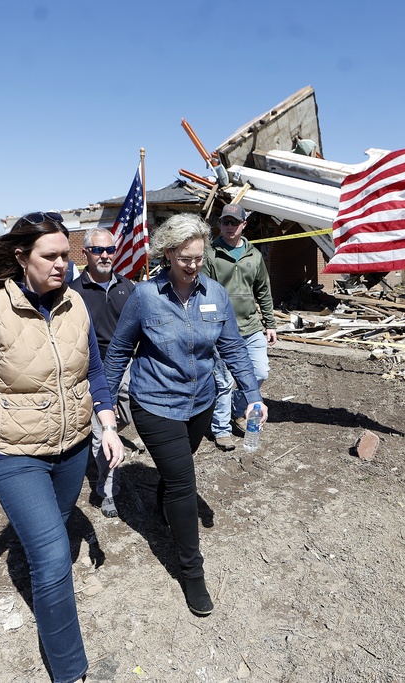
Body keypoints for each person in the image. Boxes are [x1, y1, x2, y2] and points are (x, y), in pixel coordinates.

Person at [0, 211, 123, 683]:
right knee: (55, 556)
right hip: (13, 453)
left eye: (65, 256)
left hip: (73, 447)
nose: (63, 265)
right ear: (21, 258)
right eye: (50, 256)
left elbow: (93, 371)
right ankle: (70, 670)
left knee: (53, 529)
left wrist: (108, 423)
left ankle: (38, 549)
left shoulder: (75, 304)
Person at [104, 213, 267, 617]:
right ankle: (192, 574)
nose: (193, 266)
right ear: (168, 253)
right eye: (185, 259)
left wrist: (253, 394)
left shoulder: (215, 293)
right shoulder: (145, 296)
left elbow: (232, 348)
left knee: (177, 471)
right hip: (155, 403)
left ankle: (163, 499)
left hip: (200, 402)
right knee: (183, 481)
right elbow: (119, 351)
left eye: (199, 257)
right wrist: (105, 407)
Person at [203, 203, 278, 451]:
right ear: (220, 224)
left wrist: (270, 324)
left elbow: (263, 291)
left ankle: (239, 407)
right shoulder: (210, 254)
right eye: (225, 222)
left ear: (243, 225)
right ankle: (221, 429)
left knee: (260, 373)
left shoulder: (254, 256)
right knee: (223, 382)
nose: (229, 227)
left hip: (251, 327)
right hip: (222, 330)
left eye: (234, 222)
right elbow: (203, 292)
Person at [73, 228, 136, 518]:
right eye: (98, 250)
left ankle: (96, 433)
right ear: (85, 253)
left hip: (129, 366)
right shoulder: (73, 292)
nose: (106, 255)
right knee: (103, 432)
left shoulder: (129, 287)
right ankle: (107, 491)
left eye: (110, 249)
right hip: (94, 370)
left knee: (131, 415)